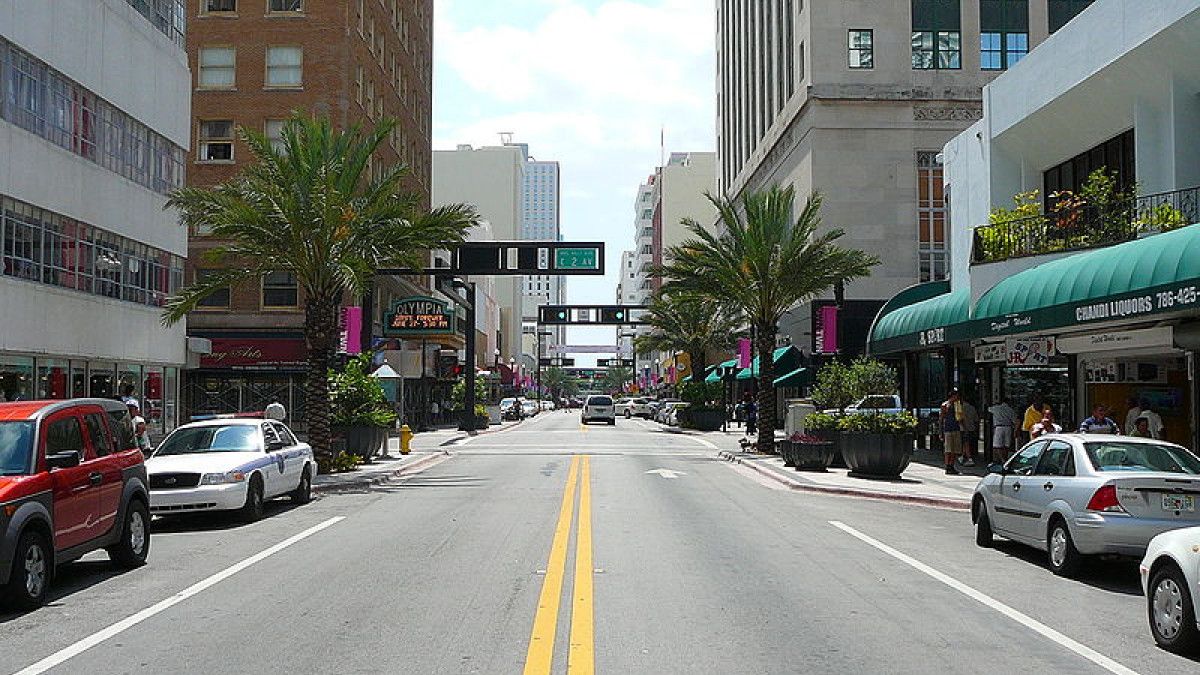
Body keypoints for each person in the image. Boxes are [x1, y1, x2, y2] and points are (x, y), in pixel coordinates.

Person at [987, 397, 1018, 462]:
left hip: (999, 427)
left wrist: (995, 404)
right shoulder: (1010, 409)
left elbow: (988, 409)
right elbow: (1015, 420)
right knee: (1006, 445)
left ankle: (1002, 459)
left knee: (997, 445)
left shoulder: (996, 408)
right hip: (1008, 427)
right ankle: (1005, 458)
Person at [940, 389, 963, 475]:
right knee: (948, 449)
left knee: (955, 449)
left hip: (956, 428)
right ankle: (947, 465)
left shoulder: (958, 405)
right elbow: (941, 419)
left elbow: (960, 417)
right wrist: (941, 431)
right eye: (956, 396)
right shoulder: (945, 405)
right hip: (948, 429)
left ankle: (952, 465)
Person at [959, 397, 980, 467]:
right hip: (971, 428)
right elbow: (976, 420)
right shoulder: (973, 408)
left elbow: (960, 419)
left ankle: (969, 458)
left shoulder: (961, 408)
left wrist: (964, 428)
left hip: (963, 429)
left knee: (965, 443)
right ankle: (962, 456)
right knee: (967, 443)